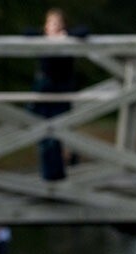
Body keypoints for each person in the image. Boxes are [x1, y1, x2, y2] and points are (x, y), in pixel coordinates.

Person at [28, 8, 87, 180]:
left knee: (61, 131)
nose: (55, 26)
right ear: (46, 26)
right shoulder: (42, 38)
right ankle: (52, 177)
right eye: (51, 23)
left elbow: (84, 31)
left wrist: (65, 36)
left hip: (62, 92)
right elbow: (26, 32)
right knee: (45, 134)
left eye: (58, 24)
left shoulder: (69, 38)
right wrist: (46, 37)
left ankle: (61, 173)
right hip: (44, 92)